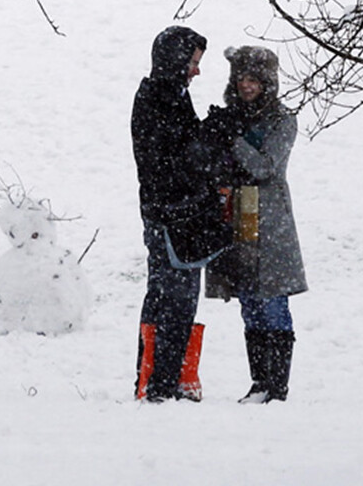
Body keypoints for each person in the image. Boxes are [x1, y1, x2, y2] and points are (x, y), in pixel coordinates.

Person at [203, 46, 307, 403]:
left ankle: (276, 386)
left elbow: (265, 166)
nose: (246, 85)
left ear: (267, 81)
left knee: (272, 299)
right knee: (248, 299)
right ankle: (260, 382)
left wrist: (232, 139)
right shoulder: (232, 115)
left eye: (252, 79)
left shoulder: (282, 119)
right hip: (237, 216)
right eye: (240, 78)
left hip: (270, 218)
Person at [131, 26, 219, 403]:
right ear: (175, 61)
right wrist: (207, 141)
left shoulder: (170, 96)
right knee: (175, 299)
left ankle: (162, 380)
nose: (197, 71)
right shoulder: (159, 100)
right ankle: (164, 383)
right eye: (193, 63)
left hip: (176, 215)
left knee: (168, 296)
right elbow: (170, 161)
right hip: (172, 217)